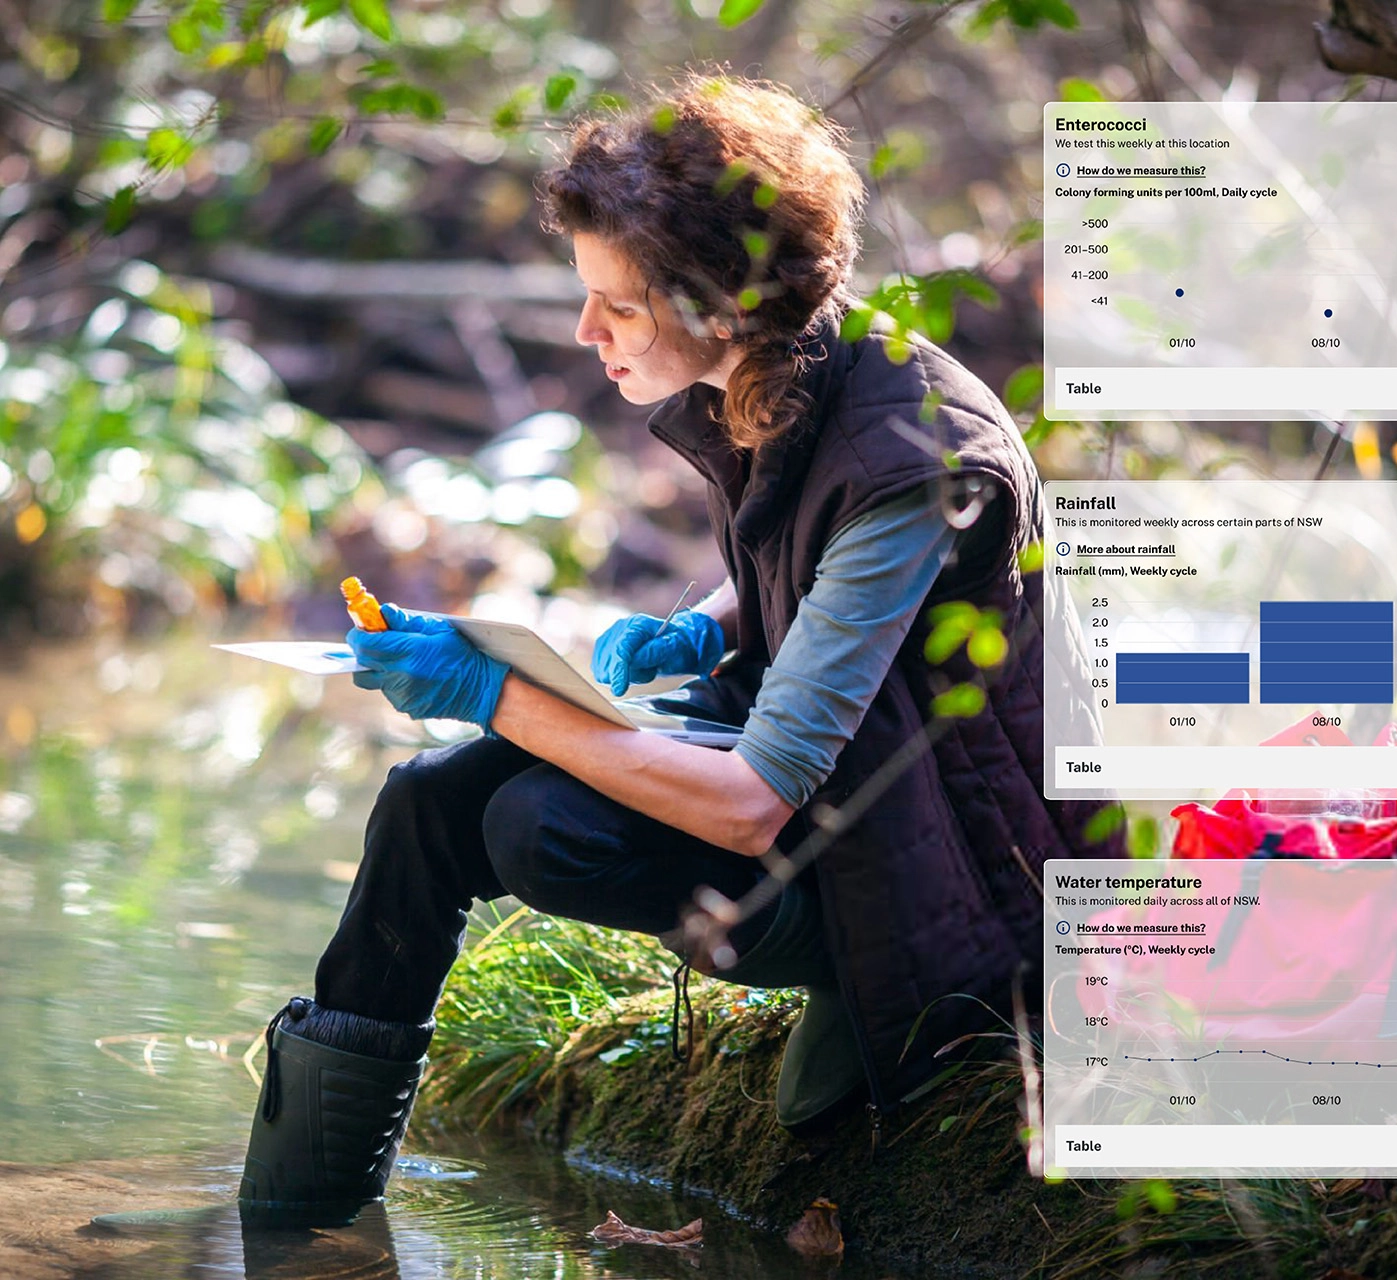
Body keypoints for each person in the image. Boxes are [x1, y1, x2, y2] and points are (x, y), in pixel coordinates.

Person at [234, 72, 1121, 1230]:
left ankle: (876, 979)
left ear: (721, 302)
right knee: (428, 804)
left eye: (618, 304)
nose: (585, 331)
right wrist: (712, 620)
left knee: (541, 827)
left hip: (949, 863)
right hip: (857, 779)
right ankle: (297, 1217)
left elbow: (751, 803)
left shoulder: (917, 461)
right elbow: (823, 565)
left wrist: (495, 690)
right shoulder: (791, 366)